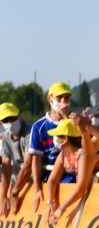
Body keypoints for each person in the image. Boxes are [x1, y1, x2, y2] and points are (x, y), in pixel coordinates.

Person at [12, 82, 76, 213]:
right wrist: (37, 189)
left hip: (72, 179)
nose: (63, 101)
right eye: (59, 98)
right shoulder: (39, 126)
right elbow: (35, 160)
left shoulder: (75, 121)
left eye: (67, 98)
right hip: (50, 182)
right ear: (50, 98)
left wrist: (67, 118)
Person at [43, 119, 96, 227]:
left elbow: (81, 187)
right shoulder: (64, 154)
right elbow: (52, 180)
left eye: (57, 136)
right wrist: (49, 203)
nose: (55, 139)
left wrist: (61, 209)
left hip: (96, 196)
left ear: (66, 139)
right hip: (85, 196)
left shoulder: (83, 155)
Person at [0, 103, 29, 217]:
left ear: (20, 116)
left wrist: (14, 192)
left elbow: (28, 164)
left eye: (13, 118)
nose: (11, 123)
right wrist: (3, 195)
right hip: (17, 184)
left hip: (34, 182)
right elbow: (6, 164)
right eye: (6, 120)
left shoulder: (30, 131)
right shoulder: (5, 136)